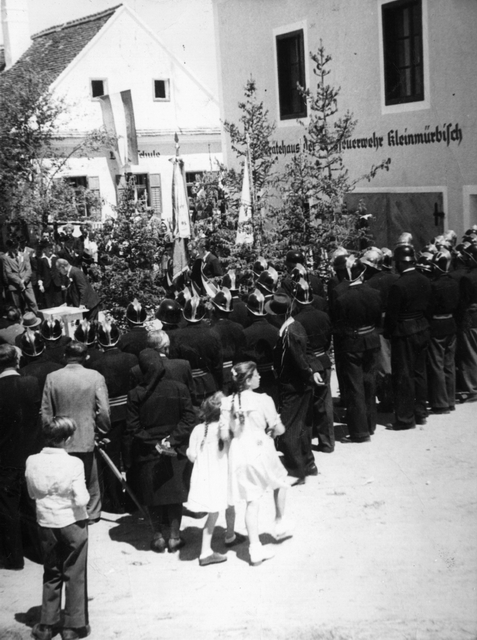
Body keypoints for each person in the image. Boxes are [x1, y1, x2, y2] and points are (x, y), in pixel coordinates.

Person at [220, 362, 292, 566]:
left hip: (239, 451)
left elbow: (225, 434)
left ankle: (255, 548)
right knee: (280, 481)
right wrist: (271, 431)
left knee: (252, 501)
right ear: (248, 380)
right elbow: (279, 429)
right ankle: (279, 520)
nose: (260, 377)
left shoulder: (227, 403)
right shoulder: (264, 399)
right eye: (257, 375)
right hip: (261, 447)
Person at [124, 351, 196, 553]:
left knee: (152, 494)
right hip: (175, 447)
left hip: (147, 450)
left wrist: (154, 442)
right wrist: (170, 440)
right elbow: (189, 419)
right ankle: (174, 537)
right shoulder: (179, 388)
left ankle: (157, 537)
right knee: (175, 493)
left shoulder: (135, 394)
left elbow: (133, 427)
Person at [26, 417, 90, 640]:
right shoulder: (74, 463)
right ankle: (72, 626)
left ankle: (46, 624)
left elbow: (32, 493)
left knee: (51, 572)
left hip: (45, 522)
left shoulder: (32, 461)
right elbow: (81, 498)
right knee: (75, 573)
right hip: (72, 522)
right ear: (67, 438)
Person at [41, 341, 111, 523]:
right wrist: (102, 429)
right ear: (86, 357)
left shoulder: (52, 377)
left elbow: (46, 410)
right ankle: (92, 513)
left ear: (65, 356)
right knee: (91, 476)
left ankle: (70, 512)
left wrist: (51, 433)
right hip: (86, 432)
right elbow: (103, 409)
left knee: (64, 475)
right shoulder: (95, 376)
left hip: (60, 434)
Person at [0, 344, 41, 570]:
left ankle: (13, 558)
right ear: (17, 360)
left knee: (8, 508)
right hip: (31, 454)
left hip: (5, 457)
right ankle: (40, 551)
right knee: (32, 504)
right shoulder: (31, 383)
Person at [186, 393, 238, 566]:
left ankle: (228, 536)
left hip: (206, 477)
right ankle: (207, 551)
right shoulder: (226, 430)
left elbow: (192, 456)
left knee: (213, 511)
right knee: (229, 505)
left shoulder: (198, 429)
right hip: (224, 474)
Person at [384, 244, 432, 429]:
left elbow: (392, 315)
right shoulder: (425, 280)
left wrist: (389, 332)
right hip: (422, 327)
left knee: (403, 375)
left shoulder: (398, 285)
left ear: (401, 263)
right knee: (420, 373)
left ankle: (405, 418)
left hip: (405, 331)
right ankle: (421, 412)